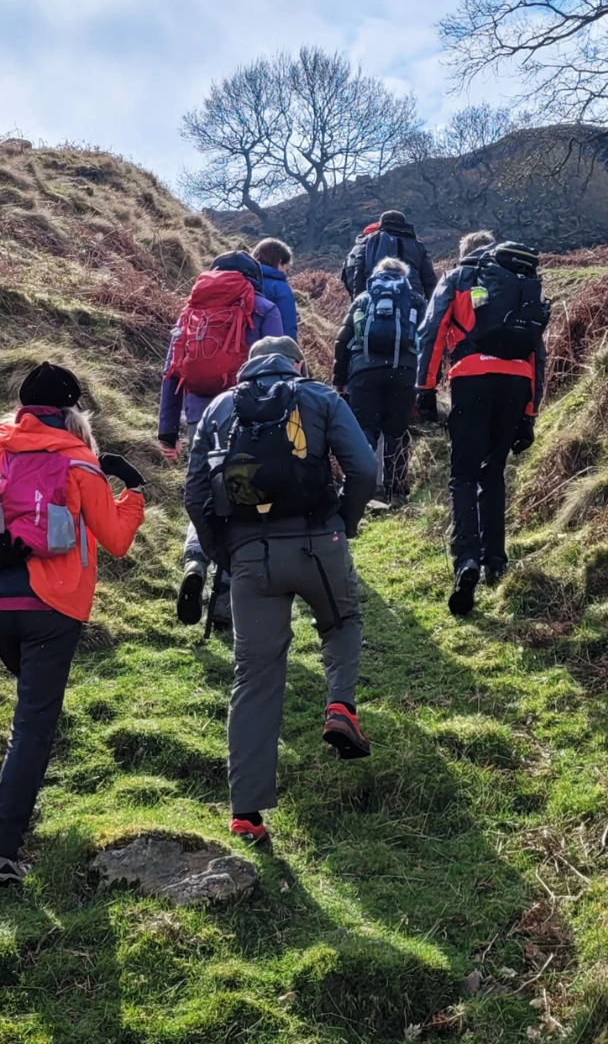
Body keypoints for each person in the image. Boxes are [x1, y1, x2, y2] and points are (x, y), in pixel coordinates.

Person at [0, 362, 145, 883]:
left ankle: (17, 809)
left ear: (24, 408)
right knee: (32, 728)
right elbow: (116, 541)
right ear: (72, 412)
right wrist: (133, 491)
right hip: (53, 608)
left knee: (31, 715)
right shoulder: (81, 465)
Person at [185, 335, 378, 844]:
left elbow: (194, 492)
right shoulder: (320, 398)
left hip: (250, 555)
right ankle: (339, 706)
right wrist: (345, 523)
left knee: (254, 677)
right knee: (343, 621)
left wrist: (224, 552)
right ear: (295, 365)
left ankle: (246, 813)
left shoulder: (220, 409)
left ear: (247, 369)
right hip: (319, 540)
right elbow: (364, 468)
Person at [416, 234, 548, 616]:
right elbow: (536, 350)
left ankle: (466, 561)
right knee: (494, 474)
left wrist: (425, 389)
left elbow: (433, 329)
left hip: (471, 378)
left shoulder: (458, 277)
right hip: (516, 382)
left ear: (464, 252)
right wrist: (529, 413)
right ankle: (495, 561)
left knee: (463, 475)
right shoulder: (523, 280)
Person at [158, 251, 284, 628]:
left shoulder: (190, 312)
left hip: (200, 418)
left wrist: (168, 429)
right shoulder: (263, 308)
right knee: (244, 501)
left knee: (206, 494)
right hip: (251, 418)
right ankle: (227, 599)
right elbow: (279, 366)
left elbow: (171, 372)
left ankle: (196, 559)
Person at [333, 257, 427, 509]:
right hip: (403, 372)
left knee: (365, 429)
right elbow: (427, 338)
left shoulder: (363, 299)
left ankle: (359, 490)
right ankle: (396, 492)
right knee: (396, 430)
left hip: (364, 372)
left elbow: (342, 341)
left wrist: (339, 380)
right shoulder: (414, 300)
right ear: (403, 275)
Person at [341, 210, 437, 301]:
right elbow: (429, 279)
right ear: (404, 223)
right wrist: (434, 308)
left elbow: (359, 273)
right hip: (411, 297)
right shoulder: (417, 245)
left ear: (381, 223)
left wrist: (358, 300)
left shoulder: (369, 241)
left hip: (375, 295)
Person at [253, 238, 298, 340]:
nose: (285, 274)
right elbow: (288, 328)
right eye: (286, 269)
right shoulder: (281, 289)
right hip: (269, 351)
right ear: (280, 262)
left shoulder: (244, 280)